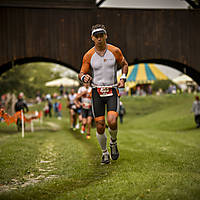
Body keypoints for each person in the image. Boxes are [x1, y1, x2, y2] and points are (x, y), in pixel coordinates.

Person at [78, 24, 128, 165]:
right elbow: (81, 72)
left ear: (106, 36)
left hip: (112, 90)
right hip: (97, 92)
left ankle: (113, 142)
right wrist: (84, 78)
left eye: (102, 35)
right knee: (100, 125)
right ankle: (105, 153)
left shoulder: (115, 51)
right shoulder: (88, 55)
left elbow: (124, 64)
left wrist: (123, 79)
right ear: (92, 38)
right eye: (96, 36)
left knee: (112, 121)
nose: (99, 38)